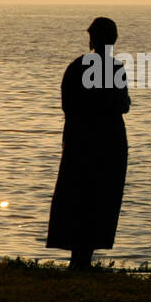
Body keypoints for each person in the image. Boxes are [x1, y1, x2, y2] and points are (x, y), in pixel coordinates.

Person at [46, 16, 130, 269]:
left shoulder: (77, 67)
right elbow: (122, 104)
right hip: (107, 143)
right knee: (100, 197)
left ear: (92, 39)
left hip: (81, 142)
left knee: (79, 195)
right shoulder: (114, 68)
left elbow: (68, 105)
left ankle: (79, 258)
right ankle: (83, 258)